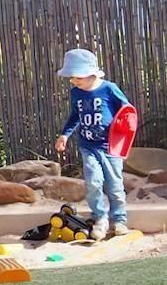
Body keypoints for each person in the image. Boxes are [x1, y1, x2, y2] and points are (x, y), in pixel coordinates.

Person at [54, 48, 132, 240]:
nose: (73, 81)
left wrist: (125, 137)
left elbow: (127, 112)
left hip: (111, 147)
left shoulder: (109, 88)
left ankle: (119, 220)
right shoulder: (76, 93)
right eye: (71, 77)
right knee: (93, 183)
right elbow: (75, 116)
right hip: (88, 146)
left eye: (77, 77)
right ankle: (100, 218)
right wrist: (65, 135)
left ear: (91, 73)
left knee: (114, 185)